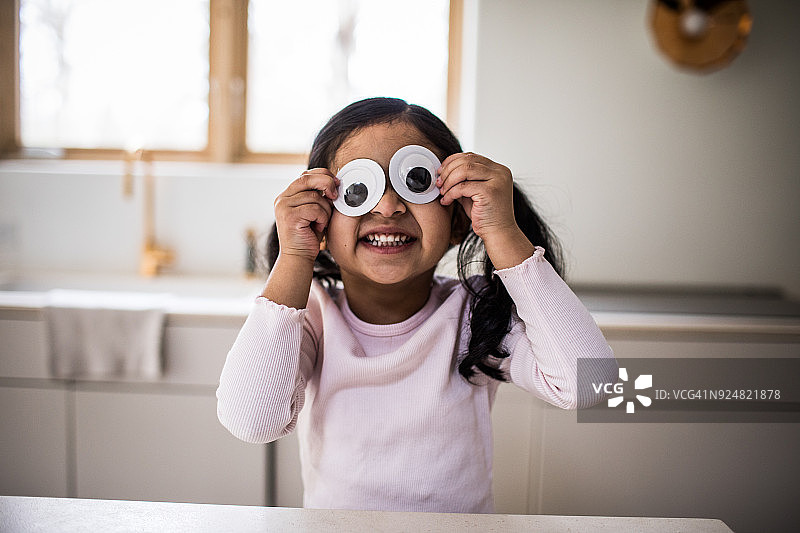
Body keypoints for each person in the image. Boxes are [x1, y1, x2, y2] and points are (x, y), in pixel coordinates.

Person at [216, 97, 618, 513]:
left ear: (458, 220)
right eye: (358, 189)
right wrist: (295, 255)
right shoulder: (311, 318)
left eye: (416, 180)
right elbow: (252, 421)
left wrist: (502, 231)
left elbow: (588, 383)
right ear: (321, 222)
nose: (388, 206)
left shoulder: (475, 313)